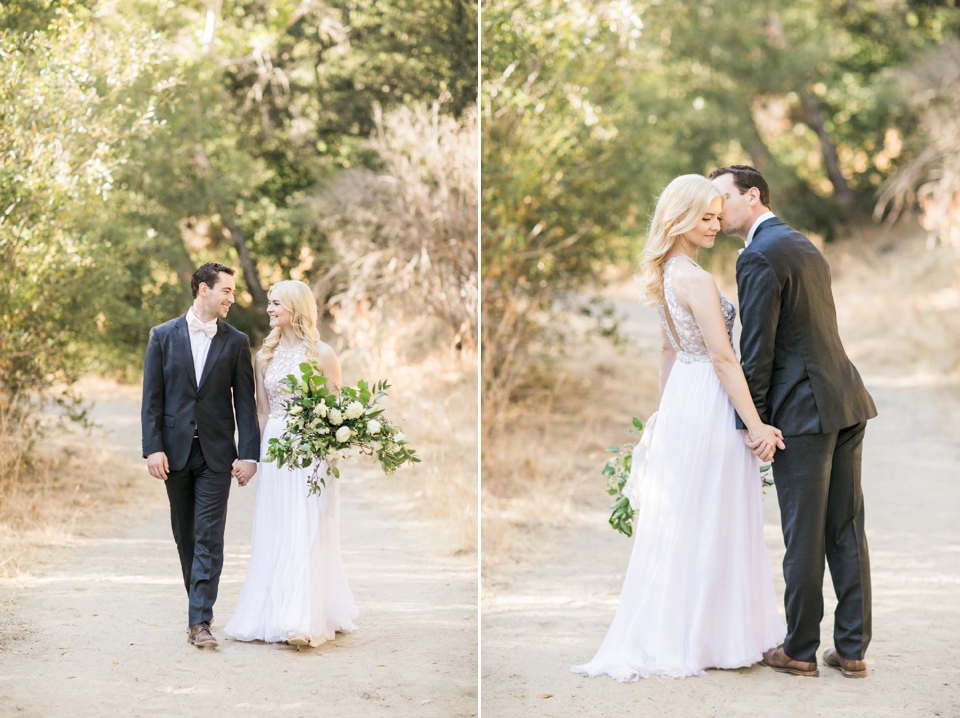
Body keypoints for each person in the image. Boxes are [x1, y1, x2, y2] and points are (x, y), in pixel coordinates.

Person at [572, 174, 786, 681]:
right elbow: (723, 358)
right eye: (705, 218)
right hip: (710, 401)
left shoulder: (668, 273)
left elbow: (669, 351)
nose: (715, 226)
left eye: (718, 216)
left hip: (684, 403)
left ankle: (694, 631)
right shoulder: (695, 278)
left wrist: (663, 416)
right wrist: (756, 425)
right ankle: (712, 638)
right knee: (717, 515)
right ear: (678, 218)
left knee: (690, 517)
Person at [709, 165, 876, 679]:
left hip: (804, 412)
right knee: (845, 527)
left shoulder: (758, 254)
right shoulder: (800, 242)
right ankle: (851, 649)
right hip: (845, 398)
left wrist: (751, 421)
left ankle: (800, 649)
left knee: (803, 533)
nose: (715, 209)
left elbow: (757, 349)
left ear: (752, 195)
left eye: (721, 198)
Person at [225, 280, 359, 647]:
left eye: (275, 304)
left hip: (311, 452)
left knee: (307, 527)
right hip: (275, 449)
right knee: (278, 526)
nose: (269, 309)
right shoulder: (263, 357)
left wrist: (329, 456)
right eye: (269, 304)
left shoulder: (322, 354)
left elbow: (337, 413)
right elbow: (262, 413)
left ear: (295, 308)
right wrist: (250, 456)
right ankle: (274, 612)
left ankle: (302, 620)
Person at [141, 263, 260, 648]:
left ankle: (200, 621)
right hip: (173, 454)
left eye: (233, 291)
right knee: (185, 535)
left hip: (216, 454)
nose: (232, 298)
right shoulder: (162, 336)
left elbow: (246, 404)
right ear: (203, 290)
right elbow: (152, 401)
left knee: (209, 535)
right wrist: (153, 448)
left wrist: (249, 455)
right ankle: (199, 610)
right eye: (226, 290)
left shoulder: (236, 341)